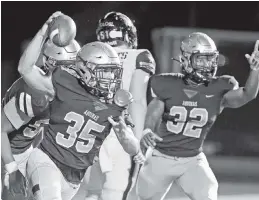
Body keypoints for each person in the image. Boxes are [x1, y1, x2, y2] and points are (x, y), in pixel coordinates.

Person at [18, 11, 143, 200]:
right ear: (85, 70)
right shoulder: (64, 80)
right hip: (46, 161)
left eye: (112, 73)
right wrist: (43, 32)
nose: (111, 79)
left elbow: (134, 149)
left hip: (74, 179)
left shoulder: (114, 102)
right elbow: (25, 69)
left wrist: (123, 131)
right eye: (104, 72)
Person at [137, 32, 259, 200]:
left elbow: (247, 94)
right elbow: (154, 111)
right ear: (186, 60)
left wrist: (255, 70)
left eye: (210, 59)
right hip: (160, 157)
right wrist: (147, 129)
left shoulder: (219, 87)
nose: (207, 65)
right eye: (201, 59)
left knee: (208, 194)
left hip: (192, 160)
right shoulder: (167, 84)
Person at [72, 11, 156, 200]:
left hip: (88, 131)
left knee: (92, 193)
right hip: (120, 132)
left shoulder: (87, 55)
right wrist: (137, 139)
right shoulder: (139, 56)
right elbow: (138, 101)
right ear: (128, 34)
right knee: (115, 195)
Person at [1, 35, 80, 200]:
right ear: (52, 64)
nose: (75, 73)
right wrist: (12, 168)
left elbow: (41, 128)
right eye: (70, 67)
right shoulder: (36, 93)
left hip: (23, 149)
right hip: (8, 152)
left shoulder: (60, 90)